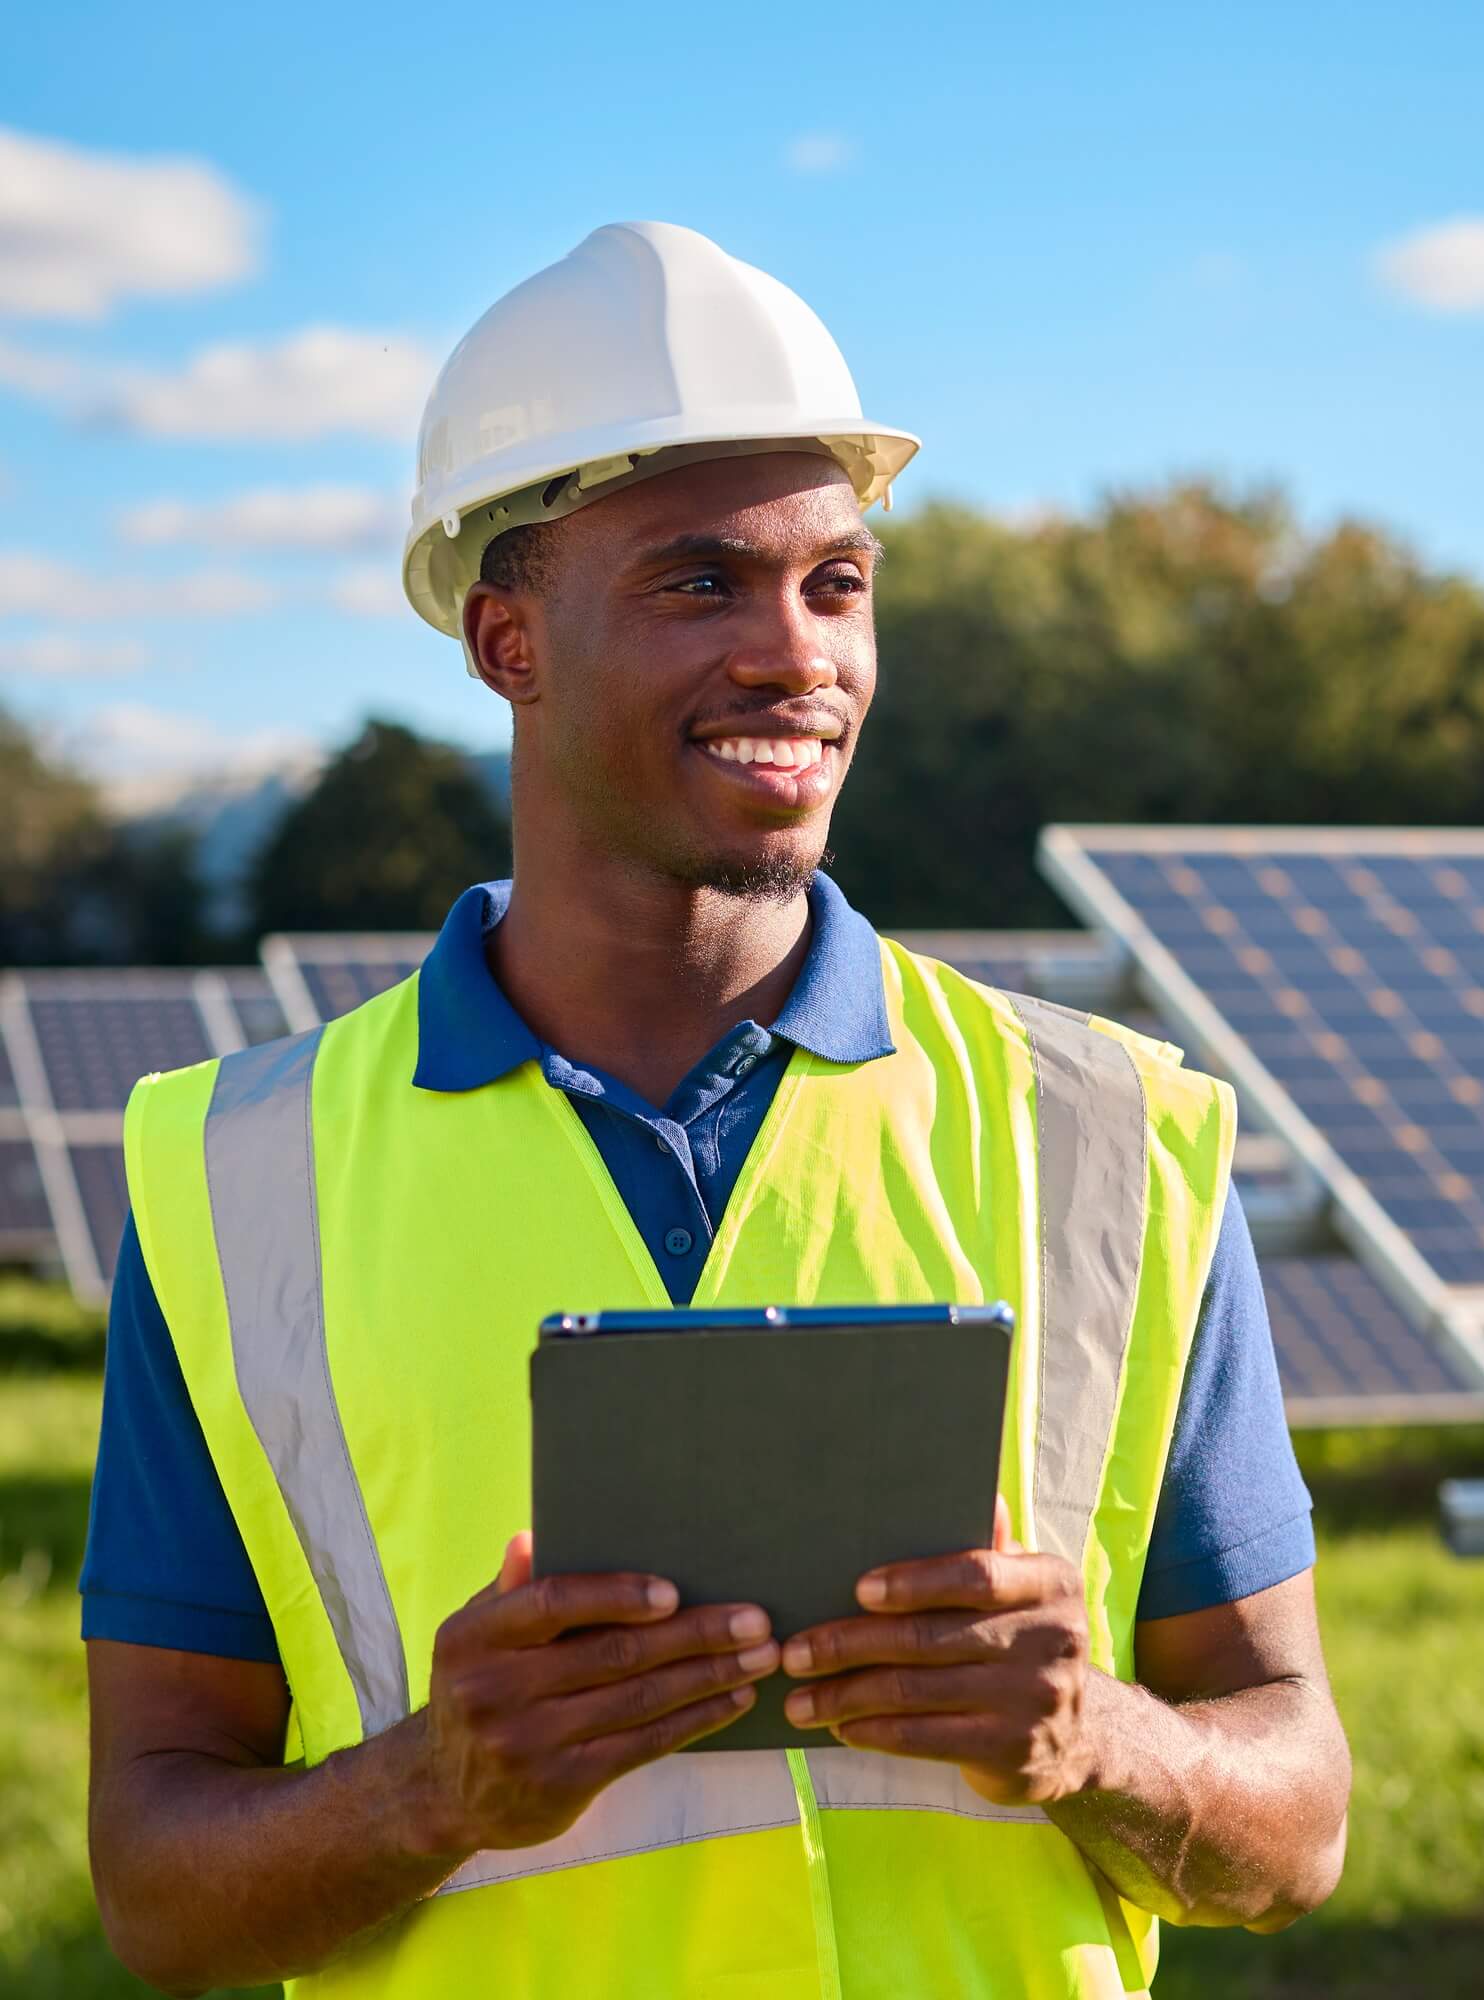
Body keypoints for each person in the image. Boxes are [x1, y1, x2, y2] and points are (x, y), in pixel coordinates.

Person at [82, 222, 1350, 1999]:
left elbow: (1297, 1826)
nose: (798, 656)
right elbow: (153, 1896)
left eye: (839, 584)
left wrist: (1101, 1743)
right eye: (700, 585)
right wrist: (430, 1790)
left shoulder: (1112, 1140)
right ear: (507, 640)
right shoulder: (237, 1187)